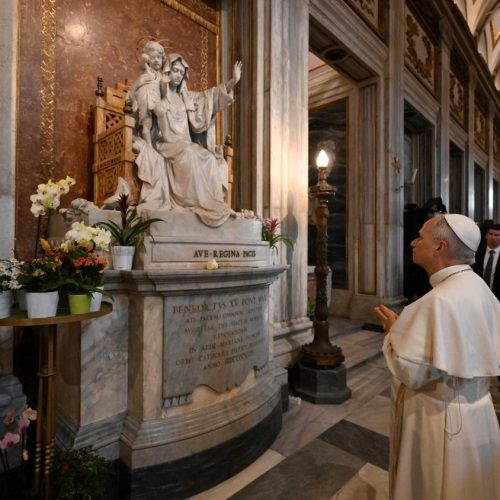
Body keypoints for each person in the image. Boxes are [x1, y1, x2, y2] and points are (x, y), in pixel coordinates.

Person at [374, 214, 500, 500]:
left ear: (440, 247)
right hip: (478, 416)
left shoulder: (437, 301)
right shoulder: (477, 285)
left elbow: (410, 370)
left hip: (440, 421)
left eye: (420, 236)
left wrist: (394, 331)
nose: (413, 242)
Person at [133, 52, 243, 227]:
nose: (178, 75)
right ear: (168, 70)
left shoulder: (187, 98)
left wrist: (233, 81)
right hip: (166, 143)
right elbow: (148, 121)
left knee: (209, 158)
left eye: (181, 72)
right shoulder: (157, 94)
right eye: (175, 70)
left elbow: (211, 97)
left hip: (184, 143)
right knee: (190, 153)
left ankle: (211, 204)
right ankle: (192, 202)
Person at [129, 41, 169, 146]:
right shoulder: (147, 70)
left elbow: (164, 93)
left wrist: (165, 84)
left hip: (156, 98)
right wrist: (145, 58)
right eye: (153, 58)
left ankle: (165, 136)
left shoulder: (161, 75)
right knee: (147, 122)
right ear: (148, 60)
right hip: (144, 95)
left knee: (161, 112)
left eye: (159, 57)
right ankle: (149, 146)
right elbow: (142, 62)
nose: (156, 60)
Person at [473, 222, 500, 300]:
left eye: (496, 235)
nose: (493, 237)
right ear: (486, 236)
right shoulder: (477, 252)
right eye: (490, 234)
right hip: (478, 295)